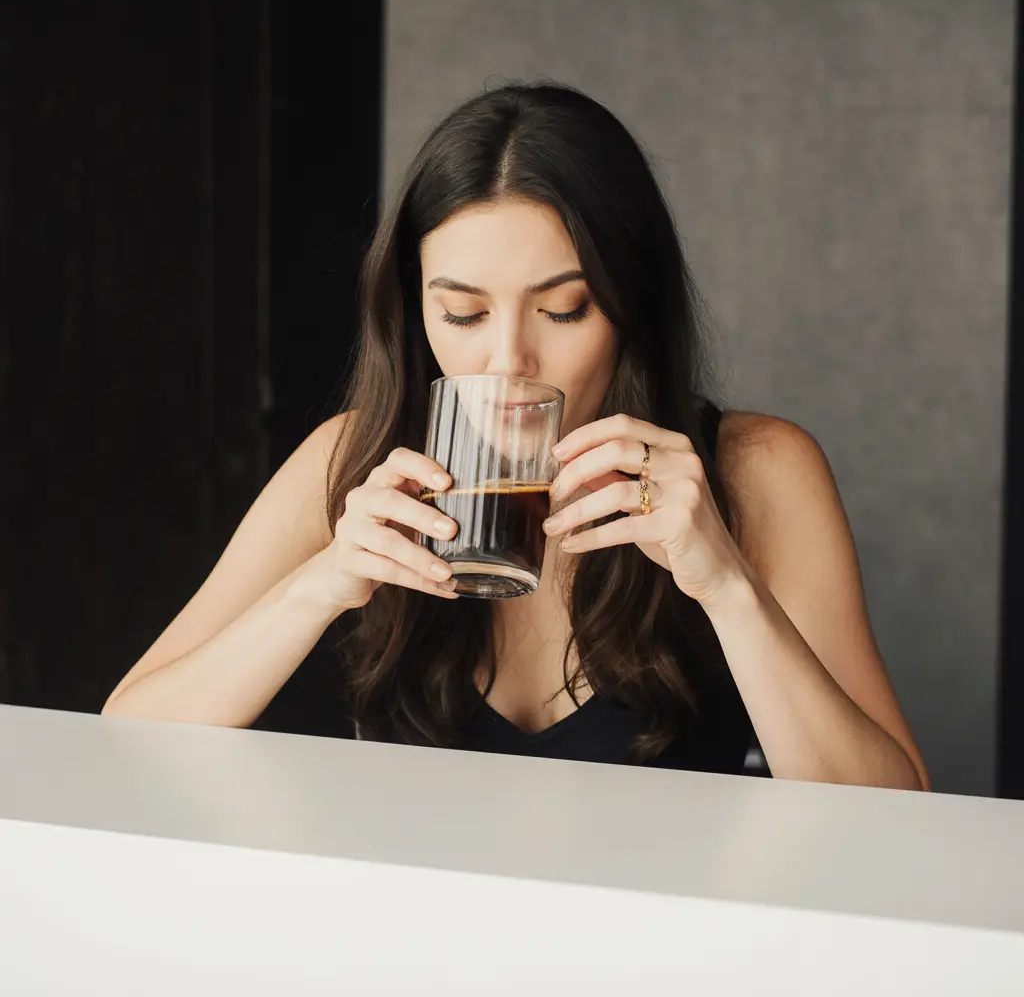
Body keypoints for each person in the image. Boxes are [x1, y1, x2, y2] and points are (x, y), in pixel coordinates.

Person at [103, 82, 929, 789]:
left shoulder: (754, 471)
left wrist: (727, 588)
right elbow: (127, 738)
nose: (506, 362)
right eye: (462, 313)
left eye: (563, 310)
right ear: (416, 311)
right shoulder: (354, 460)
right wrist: (321, 586)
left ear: (629, 305)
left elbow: (896, 812)